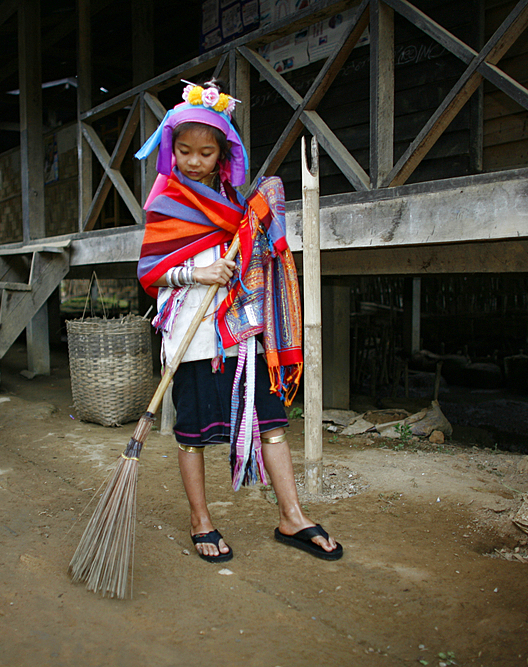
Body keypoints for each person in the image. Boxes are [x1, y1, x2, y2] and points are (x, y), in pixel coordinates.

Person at [135, 80, 342, 563]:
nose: (193, 161)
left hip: (243, 333)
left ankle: (292, 516)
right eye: (183, 151)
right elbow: (149, 273)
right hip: (192, 337)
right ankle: (200, 521)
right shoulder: (165, 203)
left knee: (271, 424)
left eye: (205, 153)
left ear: (221, 156)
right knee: (192, 435)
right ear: (171, 151)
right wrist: (198, 271)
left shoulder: (235, 203)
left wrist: (255, 229)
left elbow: (262, 245)